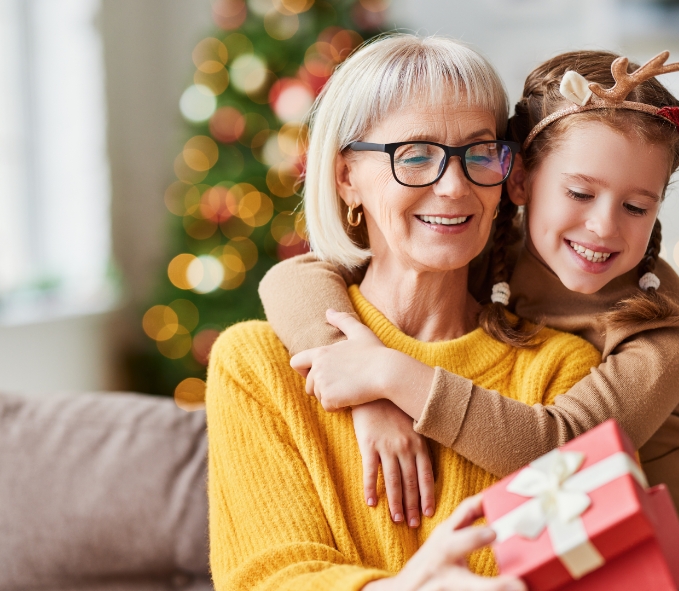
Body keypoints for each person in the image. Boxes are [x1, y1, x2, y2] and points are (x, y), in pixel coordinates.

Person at [261, 49, 679, 591]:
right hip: (588, 519)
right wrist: (360, 388)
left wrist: (390, 375)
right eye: (579, 193)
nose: (603, 226)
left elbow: (559, 449)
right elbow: (294, 277)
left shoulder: (666, 330)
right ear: (519, 183)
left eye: (636, 207)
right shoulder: (481, 243)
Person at [205, 34, 603, 591]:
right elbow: (267, 578)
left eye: (479, 153)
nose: (454, 186)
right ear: (346, 178)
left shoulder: (560, 373)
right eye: (415, 155)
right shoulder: (257, 366)